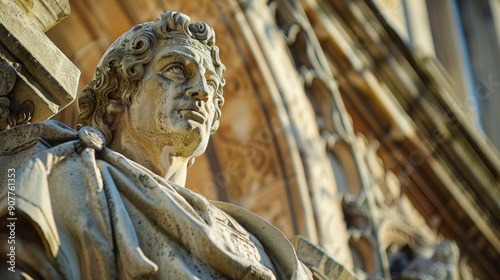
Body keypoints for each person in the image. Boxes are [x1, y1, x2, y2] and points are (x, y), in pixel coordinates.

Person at [0, 11, 312, 279]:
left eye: (211, 84)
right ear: (119, 95)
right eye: (177, 70)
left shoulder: (263, 249)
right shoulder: (56, 171)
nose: (202, 92)